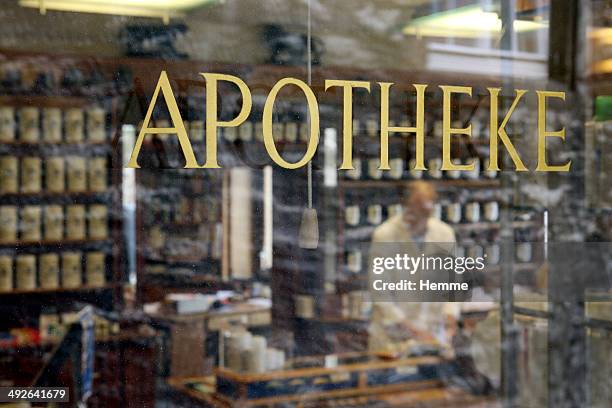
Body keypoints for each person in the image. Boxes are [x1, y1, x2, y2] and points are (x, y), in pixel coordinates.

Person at [368, 181, 459, 355]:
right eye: (415, 210)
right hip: (394, 337)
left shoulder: (444, 234)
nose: (421, 217)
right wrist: (413, 330)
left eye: (426, 212)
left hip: (433, 336)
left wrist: (450, 317)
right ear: (406, 206)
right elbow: (380, 292)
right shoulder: (385, 235)